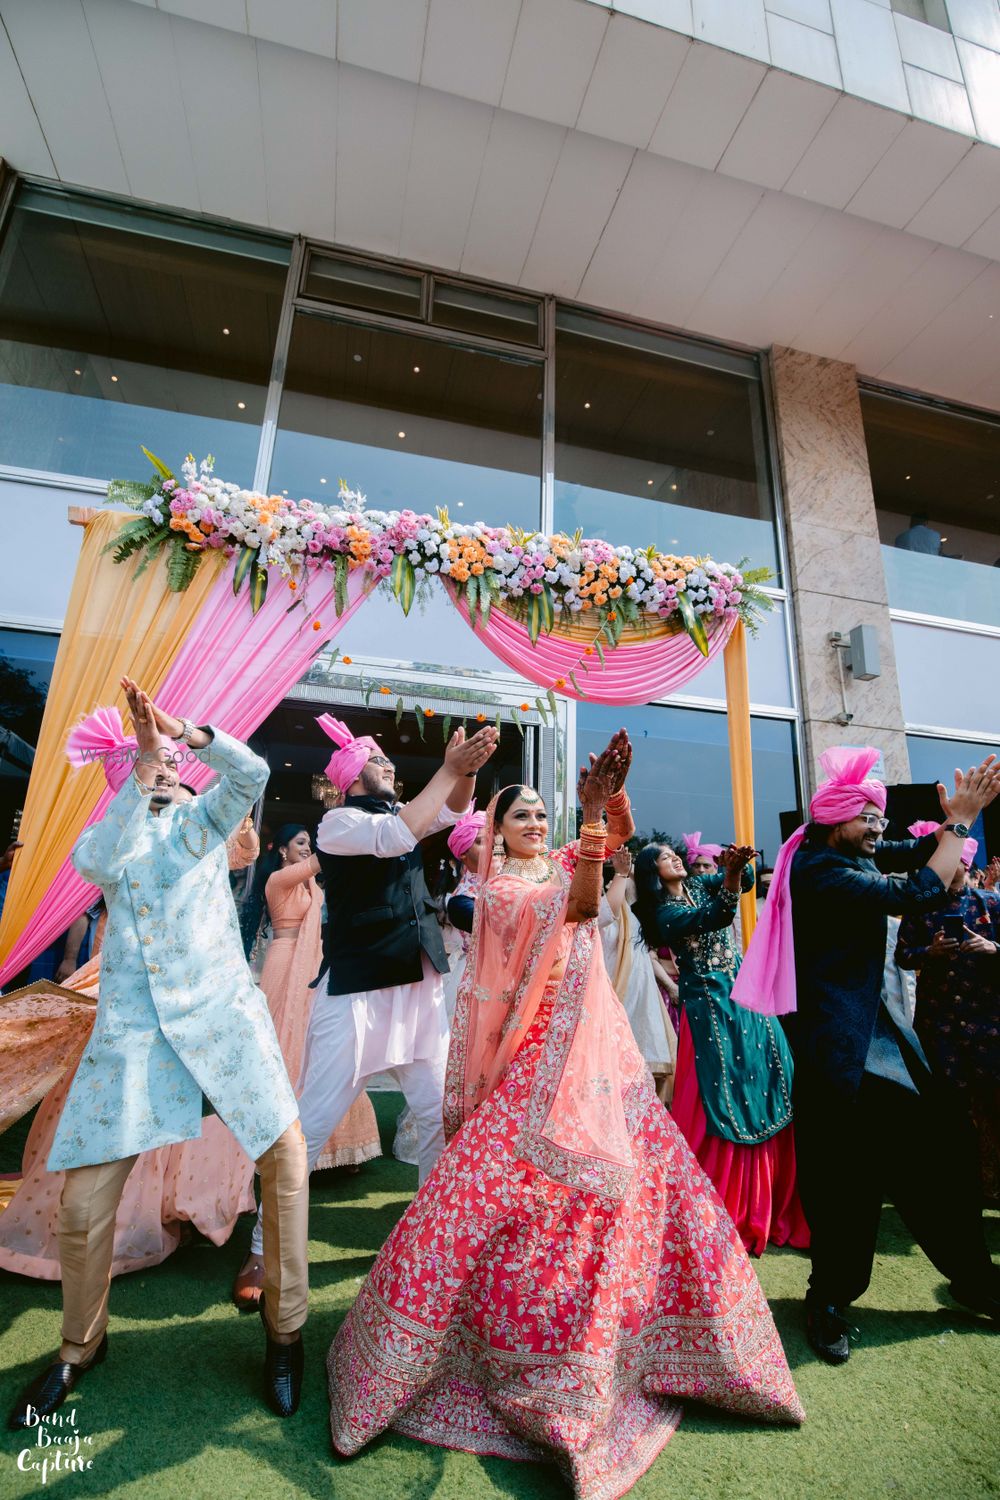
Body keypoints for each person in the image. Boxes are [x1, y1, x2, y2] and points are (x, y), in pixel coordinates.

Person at [326, 737, 804, 1498]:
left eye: (543, 812)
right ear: (495, 830)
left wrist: (611, 798)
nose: (535, 821)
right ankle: (495, 1349)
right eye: (523, 815)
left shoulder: (550, 862)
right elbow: (582, 904)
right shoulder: (503, 892)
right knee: (484, 1198)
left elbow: (609, 852)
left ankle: (663, 1345)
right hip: (537, 1062)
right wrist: (587, 815)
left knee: (646, 1190)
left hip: (598, 1056)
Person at [7, 679, 309, 1429]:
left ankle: (285, 1333)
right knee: (82, 1208)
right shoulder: (113, 838)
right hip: (133, 1037)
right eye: (155, 761)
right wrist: (141, 769)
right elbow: (99, 861)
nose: (169, 766)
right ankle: (80, 1346)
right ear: (130, 775)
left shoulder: (202, 825)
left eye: (174, 760)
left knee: (287, 1160)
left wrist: (190, 733)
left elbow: (253, 776)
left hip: (223, 1018)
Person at [733, 745, 1000, 1365]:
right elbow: (919, 890)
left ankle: (974, 1281)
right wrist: (959, 824)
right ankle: (828, 1300)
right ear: (835, 821)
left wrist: (953, 821)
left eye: (883, 817)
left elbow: (916, 857)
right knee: (844, 1181)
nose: (881, 827)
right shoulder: (819, 871)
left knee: (938, 1151)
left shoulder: (852, 852)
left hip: (881, 1038)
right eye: (870, 817)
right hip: (838, 1051)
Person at [242, 714, 499, 1272]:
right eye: (379, 761)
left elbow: (453, 812)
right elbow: (397, 836)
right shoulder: (338, 822)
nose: (389, 767)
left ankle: (429, 1245)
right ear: (354, 774)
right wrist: (448, 769)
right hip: (356, 991)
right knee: (310, 1126)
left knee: (437, 1118)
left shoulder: (406, 812)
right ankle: (263, 1250)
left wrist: (467, 773)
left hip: (419, 989)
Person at [633, 840, 807, 1257]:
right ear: (651, 872)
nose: (673, 857)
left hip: (745, 996)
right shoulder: (664, 913)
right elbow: (715, 916)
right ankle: (724, 1201)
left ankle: (777, 1199)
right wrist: (729, 879)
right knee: (724, 1097)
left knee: (775, 1074)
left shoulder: (701, 883)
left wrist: (738, 866)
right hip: (711, 1008)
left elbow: (744, 881)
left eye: (674, 853)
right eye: (662, 857)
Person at [232, 823, 380, 1305]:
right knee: (283, 1050)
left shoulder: (317, 886)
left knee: (320, 1057)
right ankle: (273, 1144)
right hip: (284, 964)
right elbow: (319, 864)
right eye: (299, 844)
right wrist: (342, 833)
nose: (307, 851)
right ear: (280, 851)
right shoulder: (279, 882)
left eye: (309, 845)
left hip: (317, 966)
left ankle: (332, 1146)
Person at [896, 820, 1000, 1202]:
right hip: (939, 1026)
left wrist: (993, 950)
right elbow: (902, 956)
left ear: (964, 863)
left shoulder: (991, 904)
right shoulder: (919, 908)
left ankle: (992, 1185)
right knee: (947, 1107)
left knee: (993, 1104)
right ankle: (956, 1185)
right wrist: (930, 953)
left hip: (989, 1025)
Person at [393, 803, 486, 1167]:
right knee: (452, 1068)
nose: (490, 847)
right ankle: (440, 1141)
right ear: (463, 853)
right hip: (466, 984)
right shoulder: (461, 897)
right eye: (479, 841)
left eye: (490, 840)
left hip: (494, 984)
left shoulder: (506, 881)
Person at [598, 846, 676, 1102]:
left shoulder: (635, 913)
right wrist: (620, 875)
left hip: (643, 992)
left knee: (646, 1074)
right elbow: (605, 914)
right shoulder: (603, 911)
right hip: (616, 991)